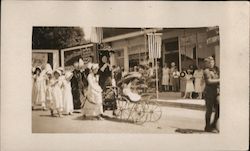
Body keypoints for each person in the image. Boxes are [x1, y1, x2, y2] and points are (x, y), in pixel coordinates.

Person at [203, 56, 220, 132]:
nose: (211, 64)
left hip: (217, 92)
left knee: (219, 108)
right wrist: (219, 80)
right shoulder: (206, 71)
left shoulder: (217, 69)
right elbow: (208, 81)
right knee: (209, 110)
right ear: (206, 63)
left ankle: (214, 124)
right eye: (209, 62)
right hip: (209, 92)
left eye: (212, 62)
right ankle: (207, 126)